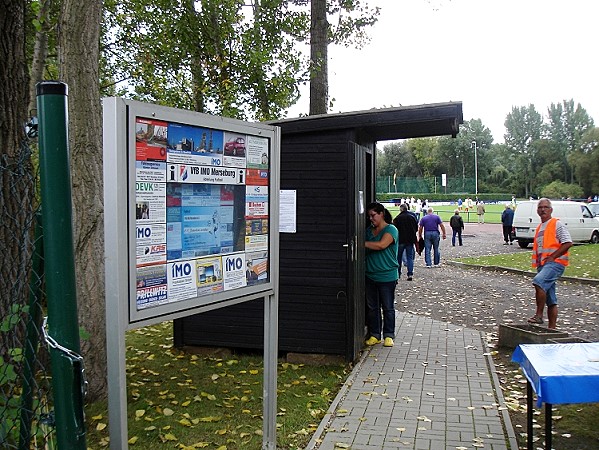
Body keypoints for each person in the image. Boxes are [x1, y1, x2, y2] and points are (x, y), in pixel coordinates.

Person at [527, 198, 573, 330]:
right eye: (540, 207)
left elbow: (568, 242)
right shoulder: (540, 228)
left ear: (551, 209)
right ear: (537, 211)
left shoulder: (556, 224)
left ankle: (539, 315)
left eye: (545, 207)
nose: (543, 209)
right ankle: (552, 329)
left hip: (555, 263)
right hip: (543, 265)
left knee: (538, 282)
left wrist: (553, 257)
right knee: (551, 299)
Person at [364, 202, 398, 347]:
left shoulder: (391, 229)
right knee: (373, 308)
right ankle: (375, 335)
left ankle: (389, 335)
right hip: (370, 275)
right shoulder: (368, 231)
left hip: (387, 276)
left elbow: (381, 245)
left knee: (388, 307)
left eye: (373, 215)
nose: (371, 219)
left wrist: (361, 243)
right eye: (369, 216)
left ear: (381, 214)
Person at [393, 203, 418, 281]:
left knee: (399, 257)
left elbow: (395, 230)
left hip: (401, 240)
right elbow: (416, 228)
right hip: (410, 240)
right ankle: (410, 273)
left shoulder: (397, 218)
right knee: (410, 257)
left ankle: (398, 273)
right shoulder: (412, 217)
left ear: (400, 209)